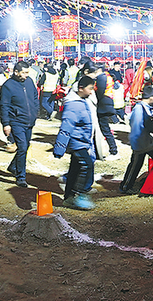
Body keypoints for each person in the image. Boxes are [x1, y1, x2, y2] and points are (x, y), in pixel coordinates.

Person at [53, 75, 97, 210]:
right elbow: (66, 127)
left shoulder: (81, 101)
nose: (91, 92)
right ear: (81, 88)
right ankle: (80, 195)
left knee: (75, 169)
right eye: (90, 89)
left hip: (82, 141)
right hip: (77, 143)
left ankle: (68, 198)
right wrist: (59, 148)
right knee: (86, 165)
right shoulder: (73, 104)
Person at [0, 60, 39, 188]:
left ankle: (13, 166)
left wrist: (35, 111)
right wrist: (6, 123)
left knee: (25, 146)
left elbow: (35, 97)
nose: (27, 75)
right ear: (16, 72)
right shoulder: (8, 86)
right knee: (22, 147)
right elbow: (4, 106)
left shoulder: (29, 82)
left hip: (29, 120)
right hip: (16, 121)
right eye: (24, 72)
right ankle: (21, 176)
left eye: (27, 72)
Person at [119, 86, 153, 194]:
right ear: (151, 98)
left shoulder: (142, 107)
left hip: (146, 141)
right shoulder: (139, 109)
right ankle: (125, 186)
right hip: (140, 142)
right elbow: (142, 126)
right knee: (135, 165)